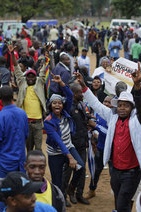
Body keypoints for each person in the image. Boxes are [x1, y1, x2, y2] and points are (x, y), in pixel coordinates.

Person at [76, 68, 141, 211]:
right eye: (120, 105)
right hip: (115, 169)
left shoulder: (137, 120)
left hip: (132, 171)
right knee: (119, 201)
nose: (122, 108)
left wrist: (138, 87)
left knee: (122, 203)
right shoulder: (112, 116)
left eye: (126, 105)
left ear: (131, 107)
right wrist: (84, 87)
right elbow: (96, 104)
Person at [0, 139, 56, 212]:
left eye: (41, 167)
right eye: (32, 167)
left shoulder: (55, 193)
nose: (37, 172)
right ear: (26, 166)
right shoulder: (13, 185)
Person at [43, 74, 85, 207]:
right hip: (55, 153)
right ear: (50, 106)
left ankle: (71, 188)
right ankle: (59, 202)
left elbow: (70, 95)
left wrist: (61, 83)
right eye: (54, 103)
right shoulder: (48, 122)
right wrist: (69, 157)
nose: (57, 105)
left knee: (81, 168)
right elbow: (58, 141)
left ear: (62, 105)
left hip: (69, 147)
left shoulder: (66, 112)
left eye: (59, 103)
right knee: (56, 181)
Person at [11, 44, 46, 151]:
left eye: (33, 76)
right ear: (26, 77)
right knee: (29, 148)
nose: (30, 78)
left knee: (39, 149)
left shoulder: (39, 84)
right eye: (28, 76)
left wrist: (47, 55)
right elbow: (17, 69)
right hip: (25, 123)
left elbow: (44, 70)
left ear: (36, 77)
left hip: (38, 124)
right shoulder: (22, 83)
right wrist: (12, 53)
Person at [63, 83, 90, 205]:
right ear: (74, 94)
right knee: (69, 170)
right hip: (71, 144)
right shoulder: (69, 107)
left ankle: (78, 194)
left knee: (82, 170)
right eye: (79, 92)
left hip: (82, 142)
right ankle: (64, 195)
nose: (82, 94)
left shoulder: (81, 104)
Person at [84, 96, 112, 200]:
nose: (106, 104)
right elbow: (96, 128)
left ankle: (118, 195)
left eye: (109, 102)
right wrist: (93, 128)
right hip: (100, 148)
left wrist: (95, 126)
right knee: (95, 171)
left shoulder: (114, 116)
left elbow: (109, 133)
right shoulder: (99, 113)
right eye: (105, 101)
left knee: (114, 174)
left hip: (112, 151)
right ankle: (92, 190)